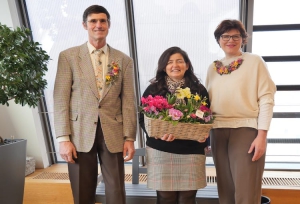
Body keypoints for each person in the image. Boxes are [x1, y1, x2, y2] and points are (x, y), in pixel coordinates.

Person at [53, 5, 137, 204]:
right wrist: (63, 138)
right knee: (83, 192)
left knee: (117, 191)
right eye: (93, 21)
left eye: (102, 21)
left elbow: (128, 101)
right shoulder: (69, 57)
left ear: (108, 25)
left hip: (113, 132)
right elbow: (61, 99)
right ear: (85, 25)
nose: (98, 25)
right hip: (79, 132)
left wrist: (129, 137)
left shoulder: (124, 60)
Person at [206, 19, 276, 204]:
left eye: (236, 36)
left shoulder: (254, 62)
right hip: (218, 132)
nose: (231, 40)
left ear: (243, 39)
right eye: (225, 36)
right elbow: (207, 105)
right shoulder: (213, 68)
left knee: (246, 192)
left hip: (246, 130)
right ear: (219, 40)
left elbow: (267, 99)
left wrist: (262, 136)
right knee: (225, 191)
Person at [139, 47, 210, 204]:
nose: (174, 65)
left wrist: (204, 138)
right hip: (161, 149)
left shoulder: (198, 89)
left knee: (188, 198)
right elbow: (142, 118)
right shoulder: (153, 89)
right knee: (165, 198)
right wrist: (155, 134)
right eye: (170, 62)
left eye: (179, 61)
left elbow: (207, 117)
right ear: (164, 67)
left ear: (187, 65)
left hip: (192, 150)